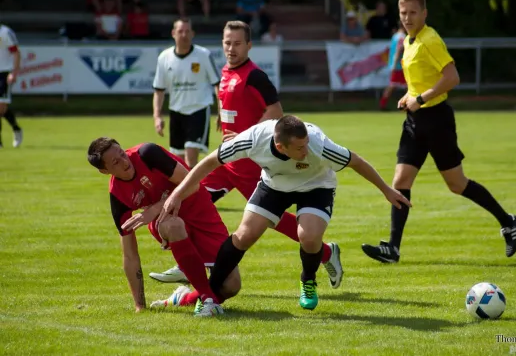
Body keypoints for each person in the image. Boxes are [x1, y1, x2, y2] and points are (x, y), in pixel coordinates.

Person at [149, 21, 344, 291]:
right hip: (229, 162)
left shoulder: (255, 76)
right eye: (227, 43)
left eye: (237, 43)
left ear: (249, 46)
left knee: (267, 220)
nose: (231, 48)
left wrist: (244, 134)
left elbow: (276, 110)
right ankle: (192, 262)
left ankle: (324, 252)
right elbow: (229, 103)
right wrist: (222, 119)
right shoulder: (226, 72)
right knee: (194, 200)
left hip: (249, 162)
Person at [158, 115, 412, 311]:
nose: (305, 150)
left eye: (305, 145)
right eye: (299, 148)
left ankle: (308, 280)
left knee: (309, 236)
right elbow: (209, 162)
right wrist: (178, 193)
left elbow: (356, 161)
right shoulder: (253, 139)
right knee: (244, 235)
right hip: (274, 186)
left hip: (316, 187)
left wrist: (386, 190)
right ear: (280, 146)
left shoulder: (318, 145)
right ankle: (209, 296)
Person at [361, 0, 516, 264]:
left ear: (424, 14)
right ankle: (393, 248)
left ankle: (509, 221)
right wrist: (409, 95)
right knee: (400, 182)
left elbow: (452, 77)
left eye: (413, 13)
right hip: (415, 121)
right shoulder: (409, 41)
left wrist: (421, 98)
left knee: (457, 184)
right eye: (403, 13)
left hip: (436, 119)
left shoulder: (430, 40)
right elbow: (422, 80)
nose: (408, 18)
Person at [87, 137, 242, 317]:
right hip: (166, 221)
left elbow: (192, 185)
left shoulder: (148, 154)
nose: (124, 161)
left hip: (200, 211)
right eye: (115, 162)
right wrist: (140, 306)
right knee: (174, 225)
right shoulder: (118, 196)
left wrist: (153, 209)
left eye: (122, 153)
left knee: (231, 285)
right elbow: (130, 255)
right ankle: (208, 300)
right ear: (104, 171)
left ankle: (183, 298)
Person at [153, 18, 220, 167]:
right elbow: (159, 89)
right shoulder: (164, 57)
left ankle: (194, 190)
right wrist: (157, 116)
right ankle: (189, 189)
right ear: (173, 33)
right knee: (179, 162)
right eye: (180, 31)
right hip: (176, 112)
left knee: (191, 157)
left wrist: (221, 110)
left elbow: (217, 84)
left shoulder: (203, 55)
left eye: (187, 31)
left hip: (198, 109)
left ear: (193, 33)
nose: (184, 35)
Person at [0, 23, 23, 149]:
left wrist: (14, 72)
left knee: (1, 108)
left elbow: (16, 52)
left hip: (4, 73)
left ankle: (16, 128)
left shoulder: (5, 33)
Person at [379, 26, 407, 110]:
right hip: (399, 66)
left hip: (395, 65)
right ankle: (406, 105)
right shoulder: (402, 37)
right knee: (397, 85)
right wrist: (395, 64)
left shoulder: (395, 36)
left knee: (394, 85)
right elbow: (399, 50)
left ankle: (383, 104)